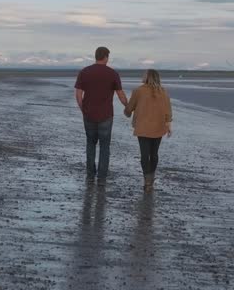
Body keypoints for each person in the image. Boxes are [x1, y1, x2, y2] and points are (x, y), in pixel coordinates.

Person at [74, 46, 128, 185]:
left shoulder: (84, 72)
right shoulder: (112, 73)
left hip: (88, 113)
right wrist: (129, 107)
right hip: (106, 115)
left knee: (90, 144)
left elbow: (78, 94)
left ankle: (90, 175)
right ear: (106, 57)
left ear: (96, 56)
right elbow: (120, 94)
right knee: (105, 146)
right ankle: (102, 178)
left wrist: (83, 108)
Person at [123, 68, 172, 192]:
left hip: (143, 127)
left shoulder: (138, 91)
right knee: (154, 154)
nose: (142, 76)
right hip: (159, 126)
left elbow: (130, 108)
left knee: (145, 155)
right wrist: (168, 125)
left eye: (144, 75)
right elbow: (168, 110)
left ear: (148, 77)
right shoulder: (163, 91)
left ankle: (148, 181)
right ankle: (151, 178)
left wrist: (127, 112)